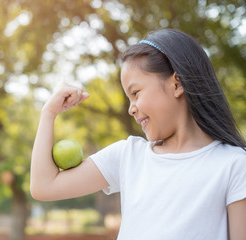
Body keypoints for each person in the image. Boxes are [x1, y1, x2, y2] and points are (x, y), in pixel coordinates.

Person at [30, 29, 246, 239]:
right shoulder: (128, 156)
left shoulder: (234, 165)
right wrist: (49, 113)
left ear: (177, 83)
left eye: (135, 93)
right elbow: (44, 187)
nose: (130, 109)